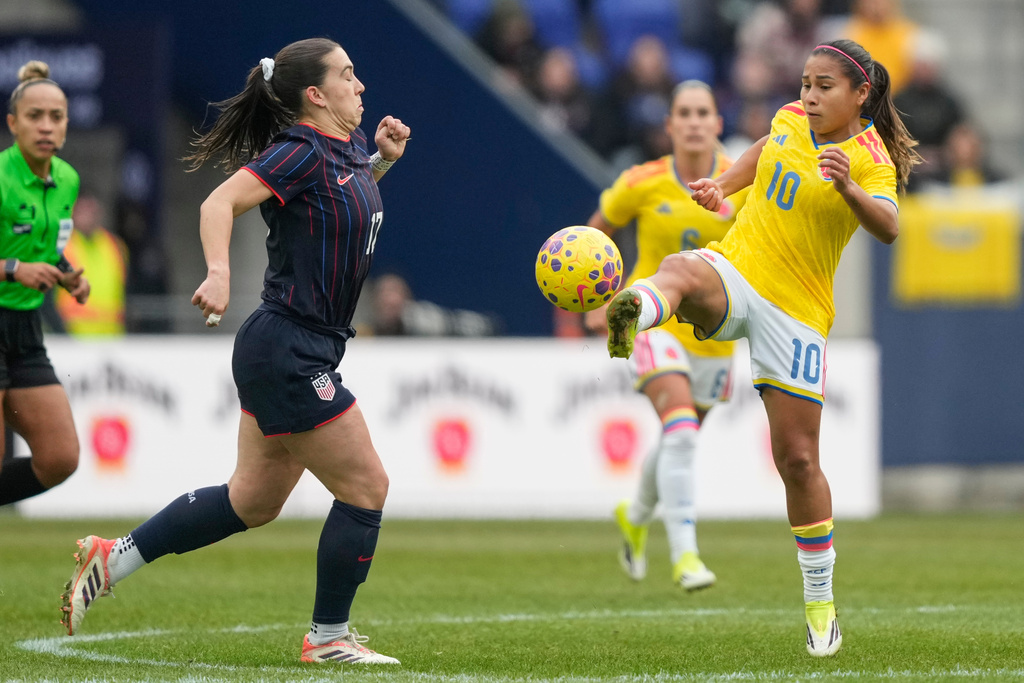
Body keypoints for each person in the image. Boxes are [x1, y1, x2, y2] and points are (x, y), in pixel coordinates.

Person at [58, 38, 410, 666]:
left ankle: (112, 559)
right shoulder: (299, 151)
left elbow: (338, 208)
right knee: (366, 486)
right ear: (315, 94)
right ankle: (328, 637)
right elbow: (219, 202)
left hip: (294, 348)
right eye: (348, 75)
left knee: (251, 501)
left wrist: (380, 162)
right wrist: (218, 272)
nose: (361, 86)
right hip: (289, 350)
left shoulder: (344, 152)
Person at [603, 39, 919, 656]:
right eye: (805, 82)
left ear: (860, 95)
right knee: (680, 268)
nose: (809, 94)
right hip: (738, 268)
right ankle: (634, 312)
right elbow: (765, 149)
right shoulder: (789, 120)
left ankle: (821, 602)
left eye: (824, 86)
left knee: (797, 460)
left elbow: (889, 225)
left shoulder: (871, 157)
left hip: (797, 313)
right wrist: (723, 184)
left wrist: (850, 188)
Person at [583, 81, 749, 591]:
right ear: (671, 125)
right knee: (680, 431)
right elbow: (592, 239)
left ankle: (635, 515)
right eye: (685, 112)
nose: (695, 120)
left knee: (681, 434)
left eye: (704, 112)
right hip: (649, 319)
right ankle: (686, 557)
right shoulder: (642, 181)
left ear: (718, 123)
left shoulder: (743, 181)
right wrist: (594, 301)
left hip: (715, 335)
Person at [0, 60, 90, 507]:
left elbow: (49, 244)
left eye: (56, 116)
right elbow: (19, 260)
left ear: (67, 125)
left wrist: (68, 273)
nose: (46, 126)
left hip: (24, 328)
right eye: (35, 116)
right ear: (13, 123)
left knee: (60, 458)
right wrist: (13, 269)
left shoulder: (67, 179)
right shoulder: (1, 177)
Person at [54, 192, 128, 335]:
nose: (88, 216)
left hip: (112, 336)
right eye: (83, 210)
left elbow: (124, 289)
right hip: (72, 337)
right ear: (73, 212)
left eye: (92, 210)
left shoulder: (115, 245)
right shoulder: (61, 245)